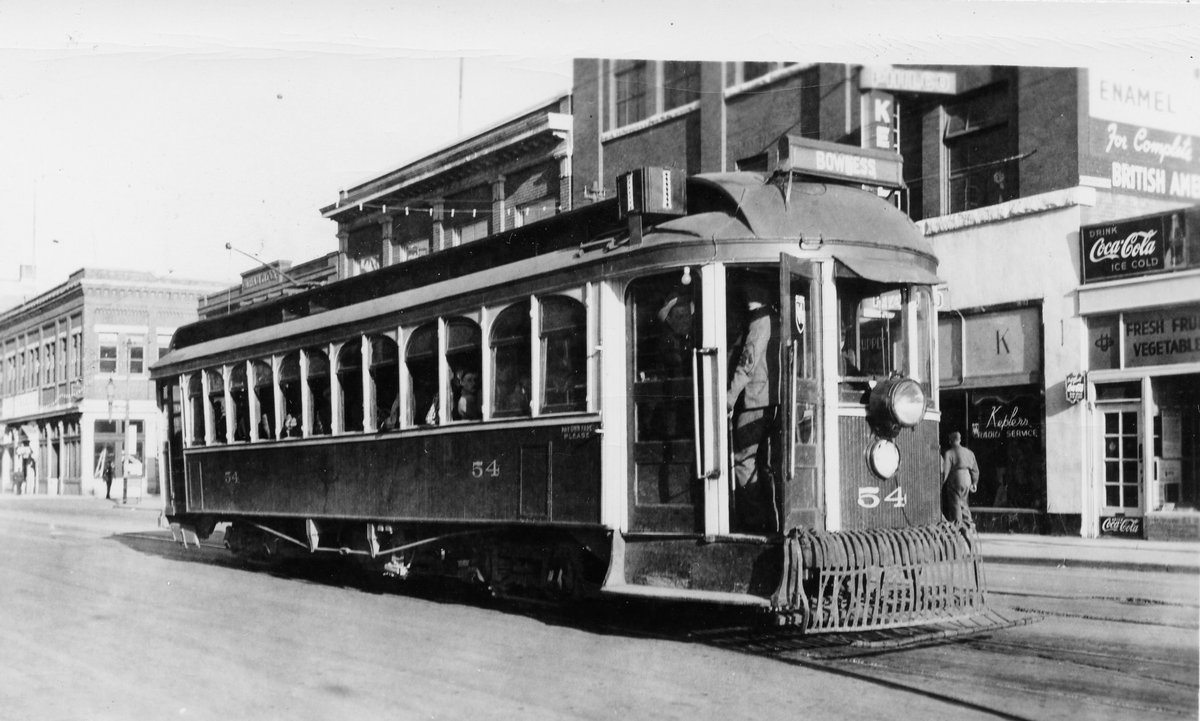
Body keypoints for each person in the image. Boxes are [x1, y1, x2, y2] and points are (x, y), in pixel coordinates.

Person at [727, 283, 780, 533]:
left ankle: (753, 522)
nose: (749, 295)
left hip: (755, 401)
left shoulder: (760, 321)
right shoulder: (778, 318)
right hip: (771, 401)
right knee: (763, 462)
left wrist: (730, 395)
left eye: (755, 291)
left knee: (743, 458)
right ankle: (769, 519)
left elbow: (748, 363)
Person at [941, 431, 980, 525]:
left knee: (955, 504)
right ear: (960, 440)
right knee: (964, 503)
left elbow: (945, 471)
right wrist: (974, 482)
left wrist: (940, 483)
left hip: (956, 479)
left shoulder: (949, 453)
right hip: (967, 479)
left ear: (950, 441)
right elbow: (975, 469)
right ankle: (968, 525)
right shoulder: (969, 452)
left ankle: (958, 527)